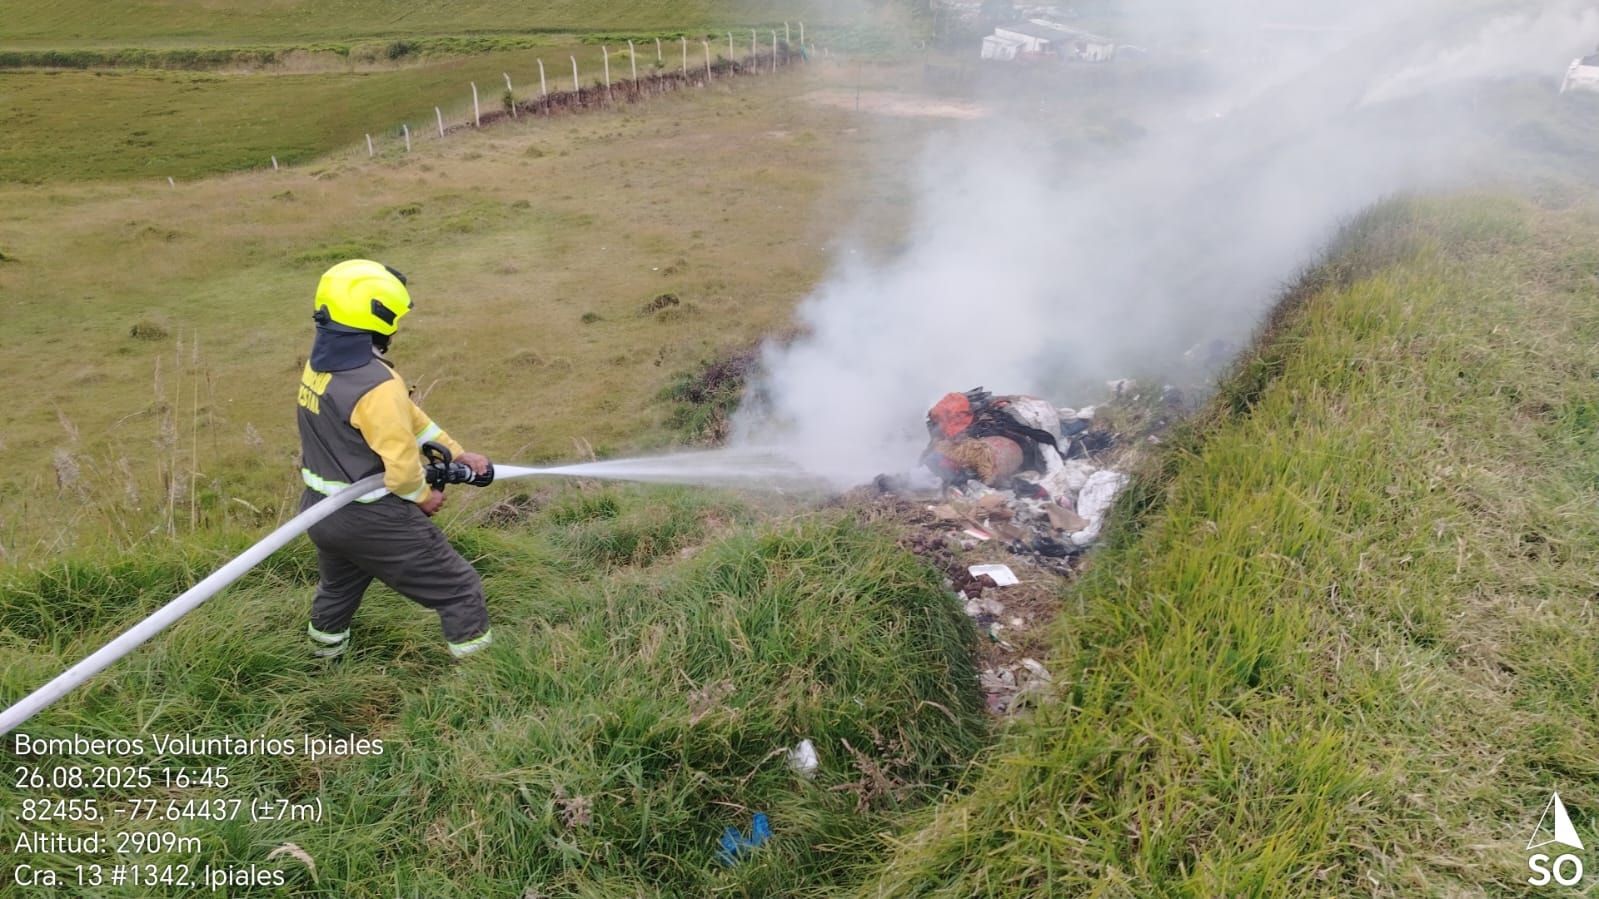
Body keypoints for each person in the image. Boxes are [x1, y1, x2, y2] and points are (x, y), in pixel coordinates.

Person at [295, 259, 494, 661]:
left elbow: (408, 418)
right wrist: (423, 497)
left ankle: (321, 660)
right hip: (372, 519)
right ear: (379, 317)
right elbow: (402, 471)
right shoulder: (377, 384)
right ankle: (483, 676)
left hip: (321, 512)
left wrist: (456, 453)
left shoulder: (320, 368)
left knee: (338, 589)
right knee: (459, 589)